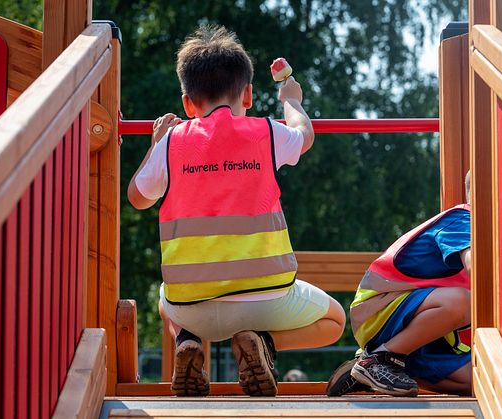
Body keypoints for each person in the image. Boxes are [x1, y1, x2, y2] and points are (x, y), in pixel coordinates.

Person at [127, 25, 345, 397]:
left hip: (190, 305)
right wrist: (291, 100)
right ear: (247, 94)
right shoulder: (263, 132)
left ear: (187, 104)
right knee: (335, 320)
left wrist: (156, 144)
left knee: (166, 298)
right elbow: (304, 136)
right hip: (267, 300)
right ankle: (263, 343)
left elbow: (137, 197)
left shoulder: (172, 143)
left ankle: (186, 341)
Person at [327, 173, 472, 397]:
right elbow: (475, 266)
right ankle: (379, 361)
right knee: (462, 302)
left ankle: (379, 369)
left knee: (476, 381)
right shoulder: (463, 218)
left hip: (417, 326)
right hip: (379, 308)